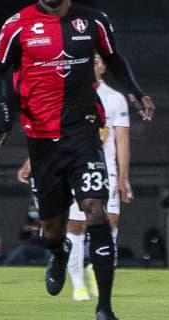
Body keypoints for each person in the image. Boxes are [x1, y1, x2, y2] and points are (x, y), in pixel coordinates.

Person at [0, 0, 155, 320]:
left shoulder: (93, 21)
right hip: (42, 139)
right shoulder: (18, 25)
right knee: (51, 230)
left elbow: (114, 59)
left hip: (83, 133)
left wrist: (136, 92)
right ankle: (58, 253)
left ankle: (105, 309)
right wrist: (4, 112)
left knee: (97, 213)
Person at [15, 53, 132, 301]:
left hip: (106, 169)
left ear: (104, 68)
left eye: (98, 61)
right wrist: (30, 163)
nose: (92, 64)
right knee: (75, 226)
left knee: (109, 224)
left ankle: (101, 277)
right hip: (75, 168)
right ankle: (78, 282)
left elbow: (121, 140)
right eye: (89, 60)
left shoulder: (115, 99)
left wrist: (123, 177)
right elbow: (49, 132)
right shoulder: (67, 93)